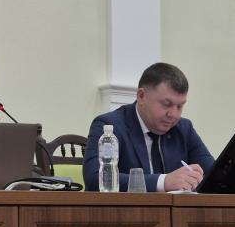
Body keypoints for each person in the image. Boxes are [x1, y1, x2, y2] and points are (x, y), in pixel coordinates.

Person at [82, 62, 214, 192]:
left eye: (180, 106)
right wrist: (163, 182)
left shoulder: (184, 129)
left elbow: (215, 176)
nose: (174, 114)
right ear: (141, 96)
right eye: (166, 104)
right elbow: (95, 179)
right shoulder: (109, 125)